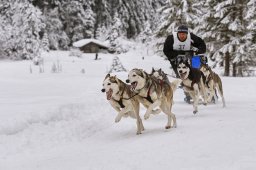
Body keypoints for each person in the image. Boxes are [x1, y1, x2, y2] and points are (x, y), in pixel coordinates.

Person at [163, 25, 206, 103]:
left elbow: (202, 44)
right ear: (177, 34)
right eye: (180, 34)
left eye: (184, 34)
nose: (182, 35)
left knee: (197, 71)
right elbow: (166, 50)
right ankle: (188, 94)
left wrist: (198, 51)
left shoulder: (192, 37)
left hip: (190, 55)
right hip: (176, 57)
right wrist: (175, 55)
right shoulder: (171, 38)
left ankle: (206, 90)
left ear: (187, 34)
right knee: (181, 75)